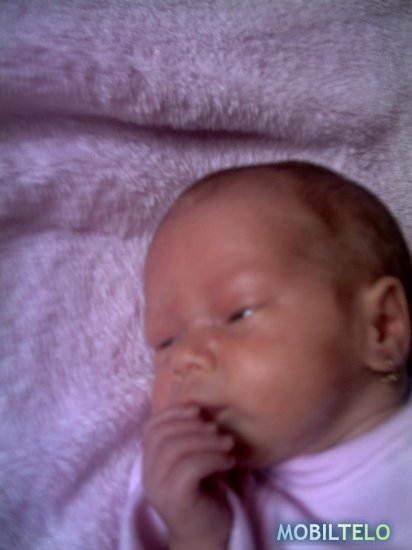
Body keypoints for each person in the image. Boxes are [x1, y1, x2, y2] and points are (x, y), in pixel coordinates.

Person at [120, 161, 412, 549]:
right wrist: (195, 536)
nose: (186, 358)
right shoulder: (187, 490)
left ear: (381, 326)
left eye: (239, 313)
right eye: (165, 342)